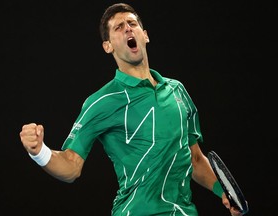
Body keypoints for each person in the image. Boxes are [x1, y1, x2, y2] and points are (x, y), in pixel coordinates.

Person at [20, 3, 245, 216]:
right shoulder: (102, 101)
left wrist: (223, 192)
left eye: (132, 24)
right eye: (119, 27)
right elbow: (70, 166)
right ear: (108, 46)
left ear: (145, 35)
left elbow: (195, 159)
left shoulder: (177, 91)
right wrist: (39, 151)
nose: (128, 28)